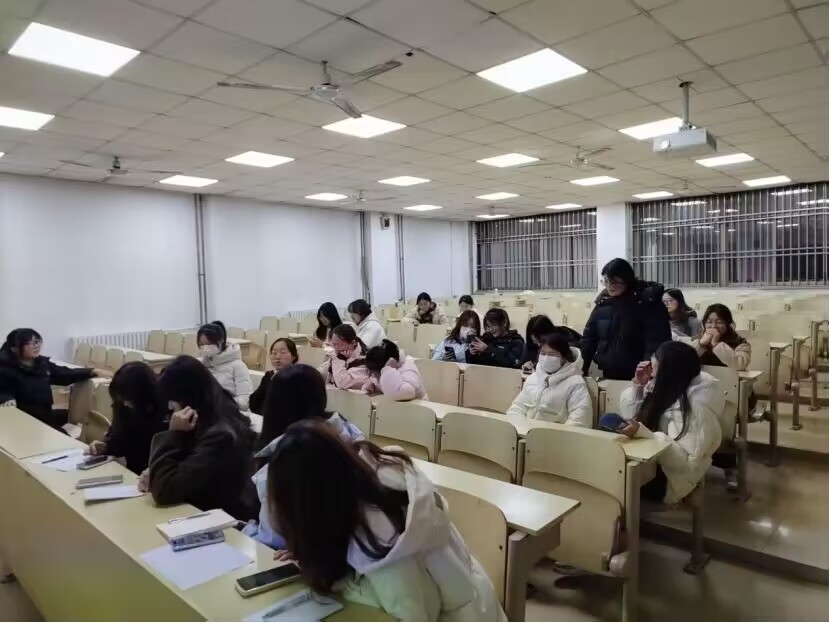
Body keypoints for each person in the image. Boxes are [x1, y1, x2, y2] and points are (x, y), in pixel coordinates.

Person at [264, 420, 505, 621]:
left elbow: (412, 616)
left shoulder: (387, 547)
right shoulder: (359, 492)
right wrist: (314, 554)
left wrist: (328, 569)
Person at [244, 364, 364, 549]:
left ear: (273, 404)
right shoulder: (347, 433)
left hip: (304, 553)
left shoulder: (286, 458)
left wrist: (242, 529)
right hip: (346, 547)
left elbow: (273, 539)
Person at [143, 355, 258, 520]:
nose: (170, 407)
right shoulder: (212, 416)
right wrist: (154, 472)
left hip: (223, 521)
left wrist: (173, 434)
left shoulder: (221, 436)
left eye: (173, 401)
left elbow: (165, 491)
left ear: (188, 398)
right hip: (203, 512)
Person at [618, 341, 724, 504]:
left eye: (655, 371)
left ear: (669, 373)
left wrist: (647, 435)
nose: (651, 377)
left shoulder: (695, 408)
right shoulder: (665, 389)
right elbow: (632, 417)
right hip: (648, 462)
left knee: (614, 477)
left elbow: (687, 463)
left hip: (671, 479)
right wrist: (638, 386)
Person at [580, 258, 671, 380]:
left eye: (614, 282)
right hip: (609, 373)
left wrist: (647, 374)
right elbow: (589, 340)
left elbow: (655, 343)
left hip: (639, 376)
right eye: (606, 281)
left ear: (627, 280)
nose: (609, 286)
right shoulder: (604, 303)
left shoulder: (647, 303)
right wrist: (580, 369)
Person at [0, 328, 105, 430]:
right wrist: (6, 399)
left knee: (78, 416)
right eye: (30, 343)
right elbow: (3, 392)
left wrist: (92, 371)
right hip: (25, 421)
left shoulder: (41, 363)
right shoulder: (5, 368)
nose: (36, 346)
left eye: (37, 341)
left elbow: (63, 373)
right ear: (14, 348)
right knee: (63, 437)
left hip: (44, 413)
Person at [86, 361, 166, 474]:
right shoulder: (122, 403)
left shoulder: (163, 408)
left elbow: (162, 451)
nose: (125, 404)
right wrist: (105, 446)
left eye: (129, 400)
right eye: (122, 400)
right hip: (134, 471)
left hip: (156, 472)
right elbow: (118, 437)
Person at [507, 333, 592, 427]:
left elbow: (579, 421)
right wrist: (517, 428)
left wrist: (553, 435)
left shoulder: (575, 384)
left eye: (552, 354)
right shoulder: (533, 378)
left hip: (556, 434)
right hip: (526, 432)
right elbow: (517, 407)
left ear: (564, 357)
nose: (546, 357)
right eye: (543, 353)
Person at [197, 321, 253, 411]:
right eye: (201, 345)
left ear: (221, 340)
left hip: (231, 414)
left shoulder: (238, 366)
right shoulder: (202, 365)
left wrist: (219, 403)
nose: (205, 348)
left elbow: (245, 401)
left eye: (209, 344)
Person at [362, 339, 428, 401]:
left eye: (376, 374)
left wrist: (387, 369)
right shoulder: (388, 372)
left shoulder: (408, 369)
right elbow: (385, 383)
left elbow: (404, 392)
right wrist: (374, 385)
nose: (376, 377)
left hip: (418, 407)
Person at [692, 304, 751, 370]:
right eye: (709, 322)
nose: (713, 326)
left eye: (719, 322)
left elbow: (740, 365)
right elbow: (685, 361)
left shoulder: (740, 343)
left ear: (727, 324)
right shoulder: (697, 339)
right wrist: (700, 344)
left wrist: (716, 344)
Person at [249, 338, 298, 415]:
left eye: (283, 352)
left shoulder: (298, 378)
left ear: (294, 356)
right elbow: (253, 403)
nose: (277, 357)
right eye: (274, 353)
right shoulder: (269, 375)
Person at [318, 324, 370, 390]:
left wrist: (339, 360)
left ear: (353, 343)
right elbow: (322, 371)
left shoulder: (365, 360)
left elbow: (343, 383)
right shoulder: (340, 353)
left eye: (339, 345)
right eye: (334, 344)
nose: (336, 349)